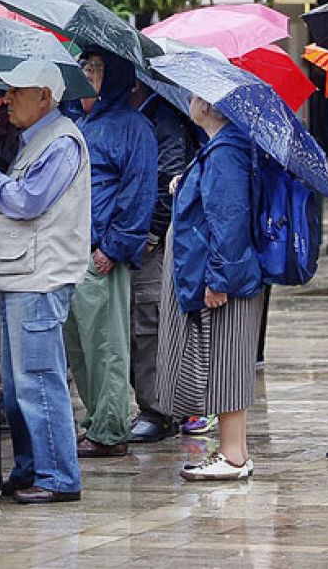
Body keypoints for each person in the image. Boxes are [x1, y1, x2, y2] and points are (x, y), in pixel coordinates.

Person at [0, 59, 89, 505]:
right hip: (19, 273)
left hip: (39, 279)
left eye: (18, 91)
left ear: (45, 96)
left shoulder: (61, 142)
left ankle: (58, 477)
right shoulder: (35, 140)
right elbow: (17, 205)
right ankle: (32, 467)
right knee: (17, 387)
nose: (8, 99)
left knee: (38, 381)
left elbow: (30, 200)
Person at [155, 95, 266, 481]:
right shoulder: (220, 148)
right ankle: (235, 450)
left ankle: (233, 454)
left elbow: (229, 218)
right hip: (219, 272)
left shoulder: (225, 151)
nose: (188, 101)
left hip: (223, 276)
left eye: (194, 96)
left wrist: (219, 279)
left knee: (225, 360)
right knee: (224, 359)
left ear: (207, 105)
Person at [62, 49, 155, 459]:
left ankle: (112, 428)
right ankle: (97, 420)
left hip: (101, 252)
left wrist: (114, 247)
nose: (89, 76)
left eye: (97, 70)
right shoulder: (76, 123)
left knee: (106, 346)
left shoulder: (133, 127)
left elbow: (139, 192)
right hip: (68, 249)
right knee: (79, 348)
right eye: (84, 68)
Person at [127, 80, 201, 443]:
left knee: (148, 321)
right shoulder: (137, 113)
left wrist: (152, 234)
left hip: (150, 242)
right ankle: (152, 405)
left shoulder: (163, 117)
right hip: (131, 236)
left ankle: (159, 409)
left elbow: (168, 179)